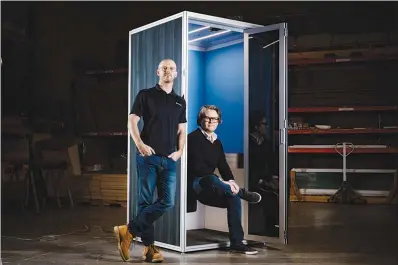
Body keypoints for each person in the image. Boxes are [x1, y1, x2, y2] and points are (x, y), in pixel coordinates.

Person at [113, 59, 186, 263]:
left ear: (176, 73)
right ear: (158, 72)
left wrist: (180, 151)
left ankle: (128, 231)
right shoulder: (146, 95)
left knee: (167, 202)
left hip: (170, 159)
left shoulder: (180, 101)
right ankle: (149, 249)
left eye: (171, 68)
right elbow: (132, 120)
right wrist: (139, 144)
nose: (168, 71)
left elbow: (182, 130)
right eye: (164, 68)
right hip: (148, 157)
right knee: (145, 203)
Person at [187, 105, 262, 255]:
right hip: (196, 185)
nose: (211, 121)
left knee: (233, 198)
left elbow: (223, 165)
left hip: (212, 187)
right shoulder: (192, 138)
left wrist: (231, 181)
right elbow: (198, 168)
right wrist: (223, 181)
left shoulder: (217, 142)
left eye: (214, 118)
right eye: (207, 118)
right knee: (211, 178)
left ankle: (237, 243)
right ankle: (243, 193)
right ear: (200, 119)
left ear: (219, 121)